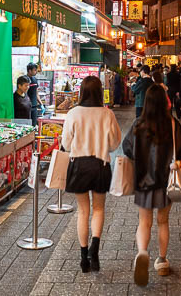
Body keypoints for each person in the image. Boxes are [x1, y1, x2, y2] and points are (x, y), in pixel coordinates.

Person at [123, 84, 181, 286]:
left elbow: (127, 148)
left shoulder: (138, 124)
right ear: (165, 101)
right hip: (166, 181)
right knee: (163, 221)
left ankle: (142, 252)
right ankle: (161, 261)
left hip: (144, 181)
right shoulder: (173, 124)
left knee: (144, 222)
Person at [61, 76, 122, 274]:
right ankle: (94, 250)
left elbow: (66, 145)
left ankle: (83, 256)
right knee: (98, 209)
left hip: (78, 165)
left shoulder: (72, 113)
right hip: (100, 165)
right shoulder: (107, 114)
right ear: (99, 92)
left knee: (83, 211)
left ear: (81, 92)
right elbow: (114, 145)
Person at [26, 63, 45, 127]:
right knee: (27, 125)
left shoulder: (34, 79)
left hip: (34, 107)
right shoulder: (24, 80)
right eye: (34, 70)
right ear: (29, 71)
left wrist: (41, 104)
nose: (36, 72)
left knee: (33, 125)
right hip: (27, 107)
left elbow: (36, 92)